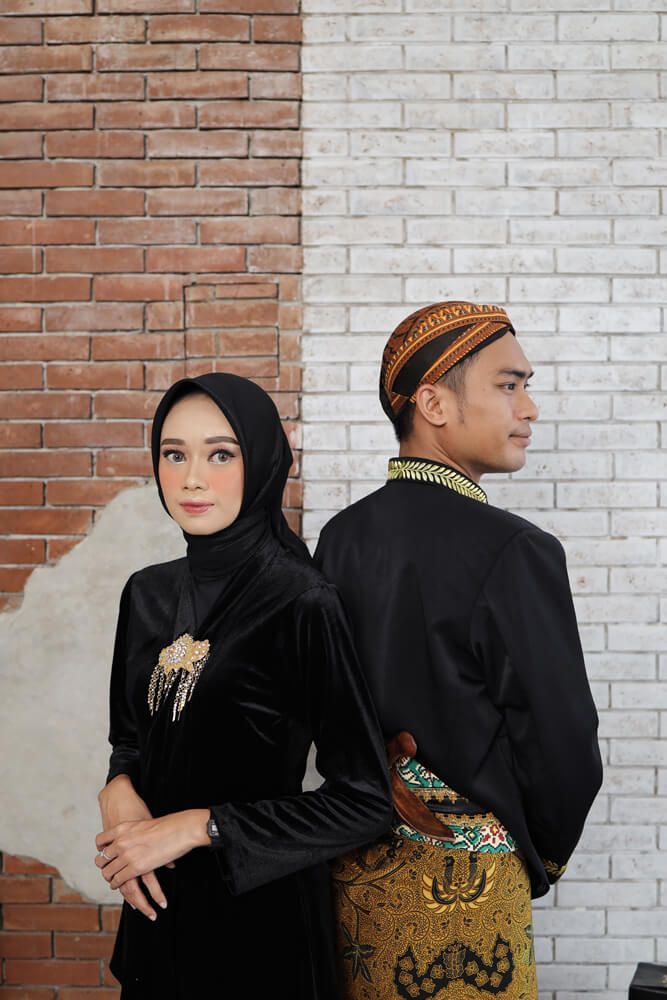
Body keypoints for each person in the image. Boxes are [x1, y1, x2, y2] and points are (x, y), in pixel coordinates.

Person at [314, 301, 603, 1000]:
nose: (529, 407)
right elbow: (564, 748)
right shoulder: (515, 549)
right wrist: (536, 856)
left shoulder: (338, 539)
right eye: (509, 384)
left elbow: (319, 710)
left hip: (351, 877)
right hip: (468, 893)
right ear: (434, 403)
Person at [94, 372, 393, 1000]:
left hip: (261, 929)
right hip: (157, 914)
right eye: (174, 454)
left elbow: (365, 800)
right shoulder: (146, 593)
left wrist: (198, 826)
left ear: (261, 464)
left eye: (220, 454)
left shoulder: (301, 601)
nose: (191, 479)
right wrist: (117, 789)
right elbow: (131, 738)